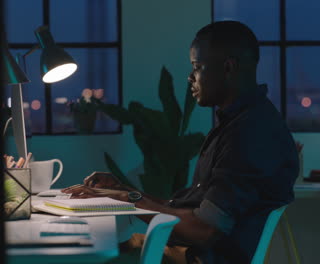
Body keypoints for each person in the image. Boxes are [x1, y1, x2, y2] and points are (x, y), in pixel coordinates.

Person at [62, 21, 299, 264]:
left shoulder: (250, 133)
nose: (190, 77)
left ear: (228, 67)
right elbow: (189, 211)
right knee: (88, 250)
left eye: (197, 67)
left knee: (81, 257)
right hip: (184, 253)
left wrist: (127, 200)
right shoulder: (238, 124)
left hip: (199, 258)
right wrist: (121, 191)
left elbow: (203, 230)